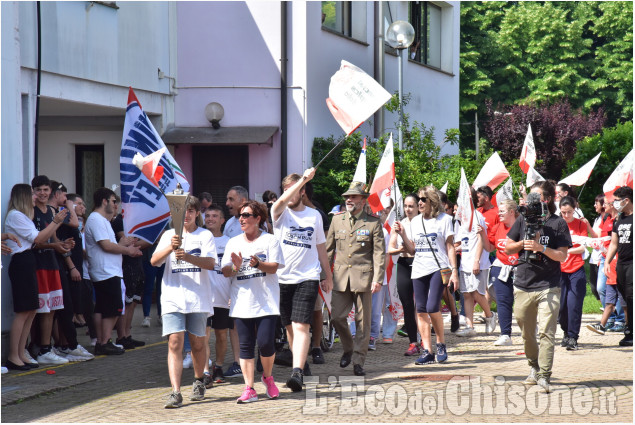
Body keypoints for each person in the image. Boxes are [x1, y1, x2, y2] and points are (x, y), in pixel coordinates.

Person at [151, 196, 217, 408]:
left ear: (197, 213)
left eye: (191, 211)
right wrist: (171, 247)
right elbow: (154, 261)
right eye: (182, 211)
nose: (186, 215)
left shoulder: (205, 235)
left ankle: (199, 381)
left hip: (197, 299)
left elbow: (210, 263)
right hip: (172, 299)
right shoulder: (169, 235)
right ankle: (175, 391)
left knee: (198, 345)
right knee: (175, 342)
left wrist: (187, 256)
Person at [505, 181, 571, 393]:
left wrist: (541, 248)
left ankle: (544, 375)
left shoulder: (558, 223)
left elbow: (562, 255)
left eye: (537, 197)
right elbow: (507, 248)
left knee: (546, 332)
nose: (532, 201)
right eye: (530, 197)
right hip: (523, 284)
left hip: (548, 285)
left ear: (547, 199)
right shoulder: (523, 219)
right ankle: (533, 367)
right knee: (527, 334)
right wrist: (523, 245)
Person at [271, 169, 333, 391]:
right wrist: (301, 182)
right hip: (282, 278)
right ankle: (301, 361)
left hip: (307, 276)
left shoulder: (314, 215)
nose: (288, 194)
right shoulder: (279, 212)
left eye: (293, 189)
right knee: (289, 326)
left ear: (302, 192)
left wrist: (327, 275)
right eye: (285, 190)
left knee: (300, 325)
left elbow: (320, 248)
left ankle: (296, 372)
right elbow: (279, 203)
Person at [221, 200, 284, 403]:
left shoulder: (270, 241)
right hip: (242, 303)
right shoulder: (233, 242)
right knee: (246, 347)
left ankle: (267, 377)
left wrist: (259, 264)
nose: (241, 218)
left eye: (246, 215)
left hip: (266, 302)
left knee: (266, 344)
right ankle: (249, 388)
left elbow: (274, 267)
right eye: (240, 215)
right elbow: (224, 271)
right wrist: (236, 267)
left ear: (258, 218)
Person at [3, 184, 67, 370]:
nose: (35, 197)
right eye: (31, 194)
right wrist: (55, 222)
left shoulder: (24, 216)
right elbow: (38, 239)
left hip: (29, 260)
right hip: (21, 262)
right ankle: (13, 355)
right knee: (23, 311)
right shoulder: (15, 215)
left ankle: (22, 352)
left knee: (31, 310)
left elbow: (38, 238)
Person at [326, 182, 385, 377]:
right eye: (347, 197)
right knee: (336, 317)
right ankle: (348, 347)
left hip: (363, 277)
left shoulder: (373, 222)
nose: (349, 200)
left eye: (353, 197)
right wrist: (325, 275)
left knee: (362, 322)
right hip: (341, 277)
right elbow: (328, 250)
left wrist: (378, 278)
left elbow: (378, 253)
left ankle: (359, 360)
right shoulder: (337, 220)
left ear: (363, 199)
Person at [395, 186, 459, 366]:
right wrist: (402, 234)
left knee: (432, 307)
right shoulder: (415, 222)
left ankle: (441, 344)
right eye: (419, 199)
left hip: (438, 267)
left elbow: (450, 246)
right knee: (421, 309)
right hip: (419, 268)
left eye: (423, 199)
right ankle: (427, 351)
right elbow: (412, 249)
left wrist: (454, 271)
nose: (420, 202)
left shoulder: (445, 219)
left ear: (432, 201)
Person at [85, 188, 142, 355]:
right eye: (113, 201)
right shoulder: (96, 219)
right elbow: (106, 245)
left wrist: (124, 244)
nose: (116, 205)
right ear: (104, 201)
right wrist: (128, 251)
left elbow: (111, 244)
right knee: (113, 308)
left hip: (108, 270)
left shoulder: (102, 220)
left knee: (104, 307)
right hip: (105, 270)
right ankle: (104, 341)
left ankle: (103, 341)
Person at [30, 175, 73, 365]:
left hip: (52, 264)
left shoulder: (51, 211)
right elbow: (34, 242)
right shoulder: (30, 211)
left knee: (52, 309)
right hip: (37, 264)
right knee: (38, 308)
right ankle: (37, 347)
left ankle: (47, 348)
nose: (42, 193)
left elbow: (53, 240)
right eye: (38, 190)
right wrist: (54, 246)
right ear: (33, 191)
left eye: (45, 190)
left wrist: (64, 245)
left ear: (50, 191)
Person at [455, 189, 497, 338]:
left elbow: (480, 240)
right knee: (466, 294)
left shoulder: (477, 216)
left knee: (476, 293)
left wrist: (476, 261)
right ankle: (469, 326)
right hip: (465, 262)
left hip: (478, 262)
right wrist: (455, 249)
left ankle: (490, 315)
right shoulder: (463, 219)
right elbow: (463, 241)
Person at [479, 199, 520, 346]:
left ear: (511, 212)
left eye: (502, 211)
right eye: (499, 211)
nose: (499, 214)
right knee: (503, 301)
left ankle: (531, 329)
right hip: (501, 267)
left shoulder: (522, 226)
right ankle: (505, 335)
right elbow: (490, 248)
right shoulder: (497, 227)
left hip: (520, 268)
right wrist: (482, 234)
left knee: (523, 303)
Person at [558, 196, 593, 351]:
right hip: (559, 270)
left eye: (569, 212)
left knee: (574, 305)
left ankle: (573, 337)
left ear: (575, 210)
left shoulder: (580, 224)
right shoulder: (555, 224)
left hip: (576, 269)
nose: (566, 215)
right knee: (561, 307)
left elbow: (583, 247)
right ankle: (565, 331)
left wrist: (567, 251)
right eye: (563, 212)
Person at [389, 194, 422, 356]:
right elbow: (390, 249)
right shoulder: (399, 224)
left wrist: (404, 243)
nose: (408, 209)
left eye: (411, 206)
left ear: (418, 207)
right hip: (403, 264)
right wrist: (402, 248)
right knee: (407, 305)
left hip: (420, 264)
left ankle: (425, 339)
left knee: (422, 306)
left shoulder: (422, 223)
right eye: (406, 206)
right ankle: (413, 342)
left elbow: (414, 249)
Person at [203, 204, 232, 386]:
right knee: (203, 336)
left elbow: (235, 270)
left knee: (222, 335)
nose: (210, 219)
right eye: (207, 216)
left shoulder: (230, 242)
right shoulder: (199, 240)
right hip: (204, 297)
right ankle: (205, 370)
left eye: (214, 216)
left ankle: (219, 366)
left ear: (222, 221)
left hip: (223, 297)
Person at [222, 185, 249, 379]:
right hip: (234, 281)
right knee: (234, 323)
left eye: (231, 199)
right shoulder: (229, 224)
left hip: (254, 280)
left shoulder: (259, 221)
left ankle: (253, 359)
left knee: (254, 323)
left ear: (242, 200)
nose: (227, 203)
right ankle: (238, 362)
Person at [111, 212, 149, 349]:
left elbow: (145, 240)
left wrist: (147, 240)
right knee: (126, 303)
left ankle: (127, 334)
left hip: (138, 263)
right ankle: (121, 336)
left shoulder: (139, 220)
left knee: (133, 302)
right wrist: (149, 240)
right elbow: (129, 242)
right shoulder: (121, 220)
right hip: (126, 264)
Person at [603, 186, 633, 347]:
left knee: (631, 296)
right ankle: (629, 330)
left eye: (617, 200)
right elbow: (614, 243)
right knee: (625, 297)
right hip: (621, 263)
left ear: (626, 200)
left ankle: (630, 331)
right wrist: (607, 262)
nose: (614, 203)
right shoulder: (619, 219)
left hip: (632, 263)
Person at [370, 205, 398, 348]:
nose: (383, 211)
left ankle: (377, 334)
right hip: (365, 275)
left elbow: (387, 255)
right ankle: (358, 333)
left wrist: (380, 275)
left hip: (389, 271)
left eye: (387, 207)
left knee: (385, 305)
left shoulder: (387, 230)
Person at [588, 194, 605, 300]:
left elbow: (596, 236)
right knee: (594, 287)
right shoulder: (597, 218)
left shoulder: (606, 219)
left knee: (601, 288)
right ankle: (605, 307)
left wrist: (587, 225)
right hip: (594, 257)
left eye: (596, 203)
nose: (594, 205)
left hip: (602, 257)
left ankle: (611, 311)